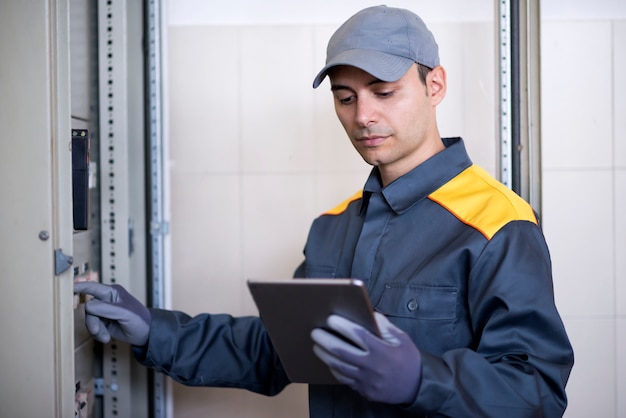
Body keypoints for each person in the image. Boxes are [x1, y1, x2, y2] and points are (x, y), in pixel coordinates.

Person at [75, 5, 574, 417]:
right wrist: (153, 329)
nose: (363, 116)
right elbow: (274, 352)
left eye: (384, 93)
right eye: (345, 97)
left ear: (435, 86)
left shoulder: (497, 224)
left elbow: (538, 393)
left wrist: (425, 378)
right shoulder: (332, 228)